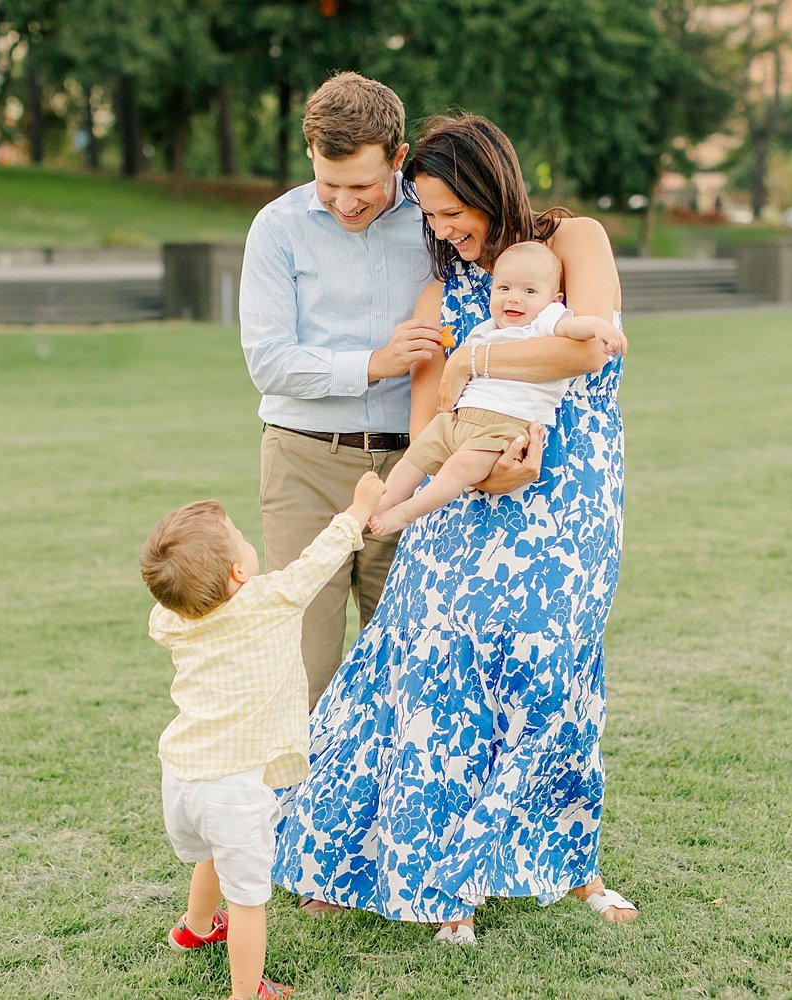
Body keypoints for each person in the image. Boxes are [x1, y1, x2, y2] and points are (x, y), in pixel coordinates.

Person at [272, 114, 637, 944]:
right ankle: (432, 877)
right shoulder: (442, 292)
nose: (442, 231)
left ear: (489, 184)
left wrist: (475, 361)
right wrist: (473, 404)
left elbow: (590, 354)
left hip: (572, 496)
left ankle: (569, 865)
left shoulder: (576, 241)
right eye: (430, 218)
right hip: (462, 499)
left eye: (449, 212)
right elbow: (430, 412)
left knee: (553, 675)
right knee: (438, 680)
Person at [241, 72, 460, 707]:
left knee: (408, 661)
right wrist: (376, 362)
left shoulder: (435, 219)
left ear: (398, 158)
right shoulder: (276, 228)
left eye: (361, 186)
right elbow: (269, 362)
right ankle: (294, 806)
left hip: (415, 465)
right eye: (328, 183)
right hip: (304, 465)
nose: (343, 201)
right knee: (304, 665)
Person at [140, 471, 387, 999]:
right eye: (243, 539)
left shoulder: (174, 621)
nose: (250, 543)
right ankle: (246, 991)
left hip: (182, 777)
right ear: (237, 570)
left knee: (212, 851)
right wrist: (359, 508)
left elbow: (166, 607)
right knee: (249, 898)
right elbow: (315, 564)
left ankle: (196, 927)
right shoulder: (267, 602)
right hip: (234, 787)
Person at [368, 241, 623, 535]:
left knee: (460, 466)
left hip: (504, 427)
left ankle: (405, 513)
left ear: (554, 300)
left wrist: (599, 328)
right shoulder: (485, 330)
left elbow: (574, 328)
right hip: (459, 420)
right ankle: (376, 506)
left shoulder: (543, 323)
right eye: (504, 289)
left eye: (529, 291)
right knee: (413, 459)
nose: (514, 299)